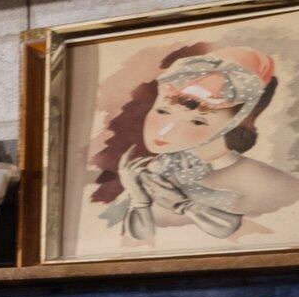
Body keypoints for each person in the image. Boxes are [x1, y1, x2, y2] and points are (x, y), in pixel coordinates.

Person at [88, 44, 298, 245]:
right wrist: (139, 200)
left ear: (233, 124)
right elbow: (129, 251)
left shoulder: (273, 185)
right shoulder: (149, 173)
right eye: (162, 111)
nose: (164, 131)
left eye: (198, 121)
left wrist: (181, 204)